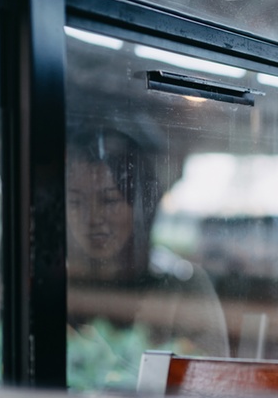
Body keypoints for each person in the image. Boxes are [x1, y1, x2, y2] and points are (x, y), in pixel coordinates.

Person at [65, 127, 230, 374]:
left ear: (143, 205)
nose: (92, 218)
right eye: (76, 202)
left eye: (109, 200)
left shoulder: (184, 287)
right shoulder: (59, 284)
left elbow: (214, 380)